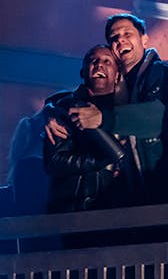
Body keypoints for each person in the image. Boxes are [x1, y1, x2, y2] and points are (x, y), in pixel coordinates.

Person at [46, 13, 168, 205]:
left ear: (144, 40)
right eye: (114, 38)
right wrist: (52, 110)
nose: (121, 39)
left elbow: (160, 118)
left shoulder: (161, 74)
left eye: (127, 33)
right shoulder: (122, 89)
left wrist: (103, 118)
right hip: (137, 200)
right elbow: (78, 98)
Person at [43, 45, 130, 214]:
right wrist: (103, 159)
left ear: (117, 74)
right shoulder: (65, 108)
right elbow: (54, 162)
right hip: (74, 212)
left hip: (119, 214)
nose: (99, 65)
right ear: (83, 72)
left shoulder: (127, 113)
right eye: (93, 61)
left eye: (107, 61)